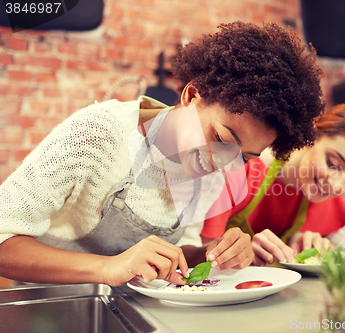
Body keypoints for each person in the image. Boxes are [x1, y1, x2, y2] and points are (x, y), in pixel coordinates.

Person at [0, 21, 325, 286]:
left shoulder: (214, 170)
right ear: (192, 94)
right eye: (221, 137)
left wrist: (211, 253)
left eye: (244, 157)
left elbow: (175, 253)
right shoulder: (99, 132)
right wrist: (109, 268)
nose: (222, 162)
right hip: (47, 304)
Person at [202, 104, 345, 265]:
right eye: (333, 164)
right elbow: (198, 253)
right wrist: (241, 255)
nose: (337, 185)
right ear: (311, 137)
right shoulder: (241, 168)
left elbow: (338, 268)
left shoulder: (332, 202)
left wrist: (310, 249)